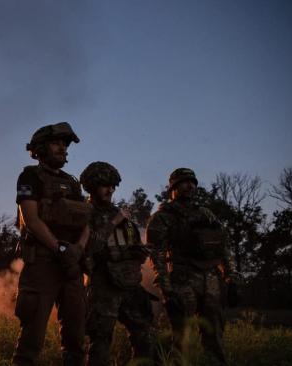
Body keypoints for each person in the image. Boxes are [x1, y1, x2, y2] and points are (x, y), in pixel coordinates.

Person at [12, 122, 92, 366]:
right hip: (42, 265)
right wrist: (59, 248)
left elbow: (88, 222)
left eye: (65, 145)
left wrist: (77, 250)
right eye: (57, 143)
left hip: (71, 268)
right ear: (41, 149)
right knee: (31, 340)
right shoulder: (30, 176)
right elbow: (31, 220)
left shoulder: (73, 183)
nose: (62, 149)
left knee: (76, 340)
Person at [146, 168, 238, 365]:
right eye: (184, 182)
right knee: (181, 337)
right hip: (182, 279)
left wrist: (231, 278)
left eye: (193, 182)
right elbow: (157, 255)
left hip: (211, 280)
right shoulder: (163, 217)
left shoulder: (206, 214)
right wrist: (166, 291)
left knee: (215, 336)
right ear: (173, 188)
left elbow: (223, 246)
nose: (190, 186)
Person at [80, 162, 155, 366]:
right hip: (102, 286)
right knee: (101, 341)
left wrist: (138, 252)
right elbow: (88, 248)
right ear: (92, 186)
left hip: (129, 285)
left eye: (113, 185)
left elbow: (134, 247)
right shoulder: (85, 214)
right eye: (105, 185)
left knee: (144, 337)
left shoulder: (122, 216)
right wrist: (112, 223)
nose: (110, 190)